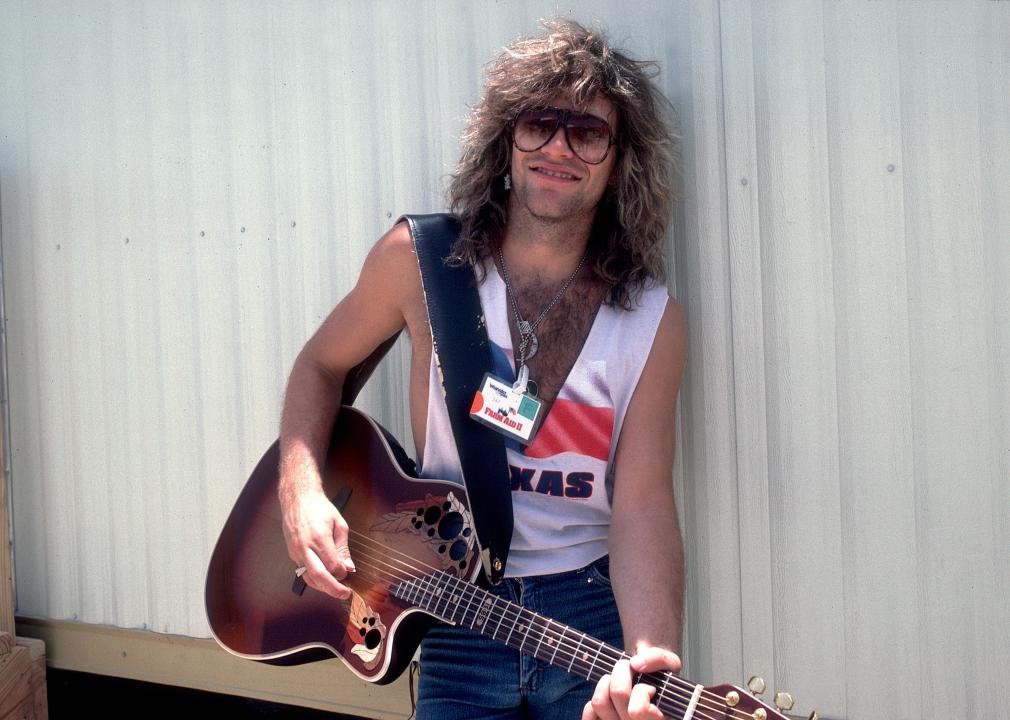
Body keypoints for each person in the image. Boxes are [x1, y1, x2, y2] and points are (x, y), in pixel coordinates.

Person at [278, 18, 686, 720]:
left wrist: (647, 664)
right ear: (506, 140)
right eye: (540, 124)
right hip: (450, 606)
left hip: (585, 612)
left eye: (587, 133)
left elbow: (643, 503)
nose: (559, 147)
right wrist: (301, 493)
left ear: (620, 163)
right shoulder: (422, 262)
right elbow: (319, 366)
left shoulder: (651, 319)